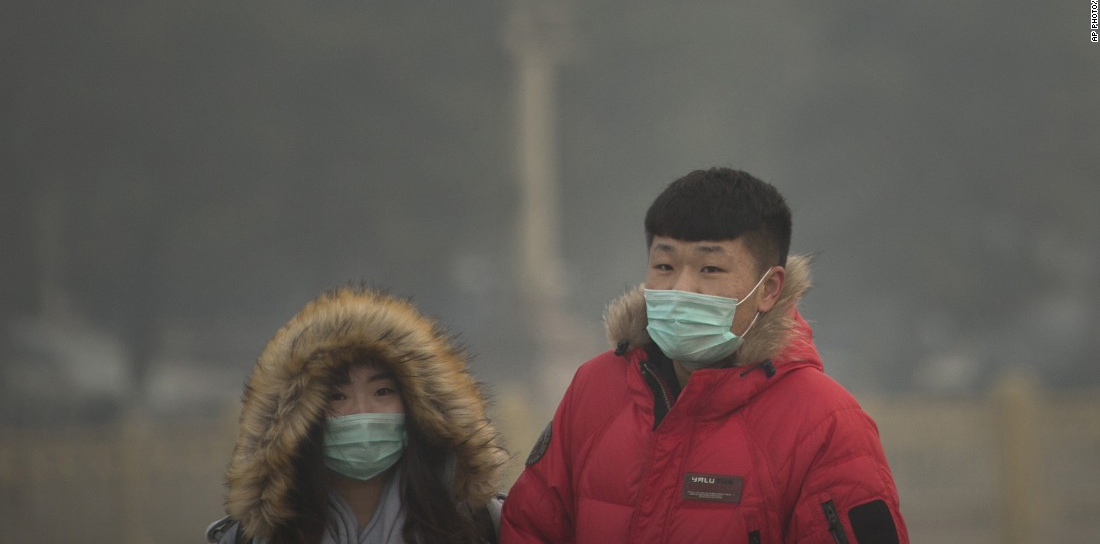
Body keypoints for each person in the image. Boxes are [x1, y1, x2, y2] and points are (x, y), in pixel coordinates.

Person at [500, 167, 908, 543]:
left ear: (768, 289)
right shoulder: (596, 389)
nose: (681, 288)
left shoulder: (824, 424)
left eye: (710, 269)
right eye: (664, 265)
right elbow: (528, 529)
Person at [206, 286, 509, 544]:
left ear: (417, 406)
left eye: (382, 393)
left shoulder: (479, 525)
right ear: (300, 418)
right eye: (338, 396)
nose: (362, 412)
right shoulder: (258, 536)